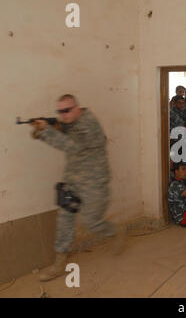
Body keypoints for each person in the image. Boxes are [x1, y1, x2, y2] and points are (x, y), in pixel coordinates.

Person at [30, 94, 126, 282]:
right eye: (60, 111)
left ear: (77, 108)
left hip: (94, 182)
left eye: (67, 110)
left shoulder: (90, 125)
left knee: (91, 221)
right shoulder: (70, 123)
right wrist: (43, 130)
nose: (63, 114)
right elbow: (62, 134)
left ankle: (115, 232)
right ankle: (59, 264)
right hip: (72, 180)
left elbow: (72, 147)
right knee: (64, 220)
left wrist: (46, 131)